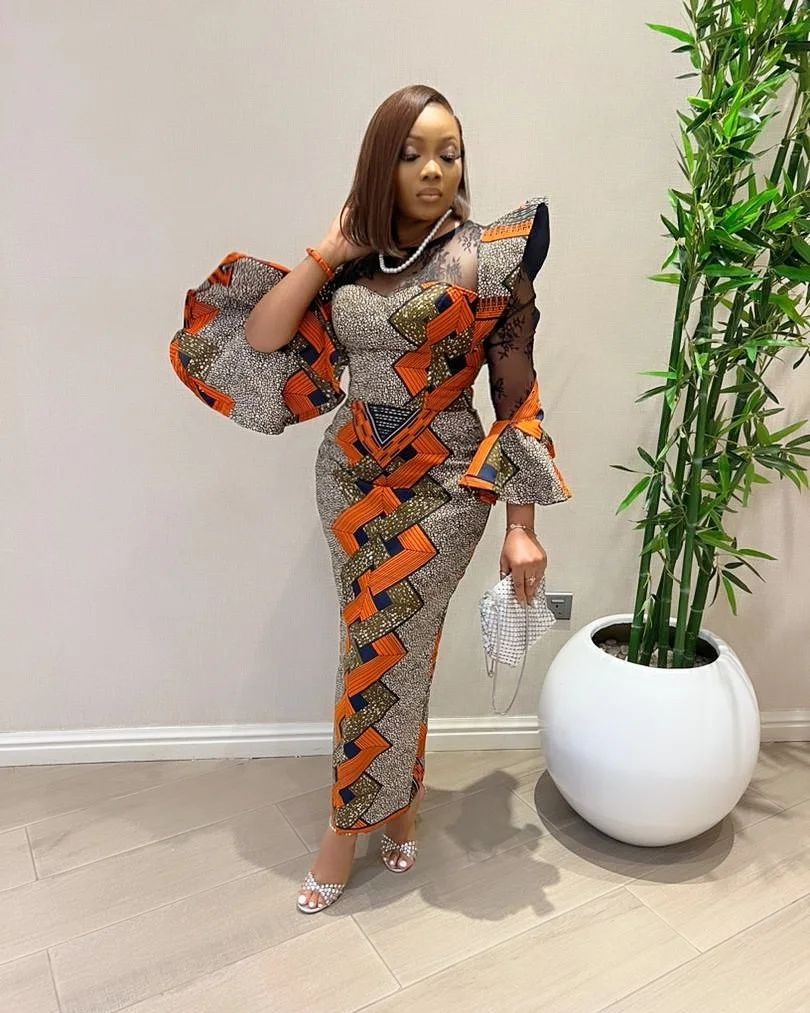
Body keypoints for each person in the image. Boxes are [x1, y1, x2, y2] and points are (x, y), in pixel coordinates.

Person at [168, 84, 573, 914]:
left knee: (377, 648)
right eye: (411, 153)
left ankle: (341, 828)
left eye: (449, 153)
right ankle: (400, 803)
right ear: (380, 163)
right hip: (348, 479)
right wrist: (328, 249)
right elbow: (262, 338)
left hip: (442, 489)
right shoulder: (356, 263)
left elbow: (516, 394)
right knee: (394, 647)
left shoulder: (492, 257)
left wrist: (521, 526)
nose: (433, 170)